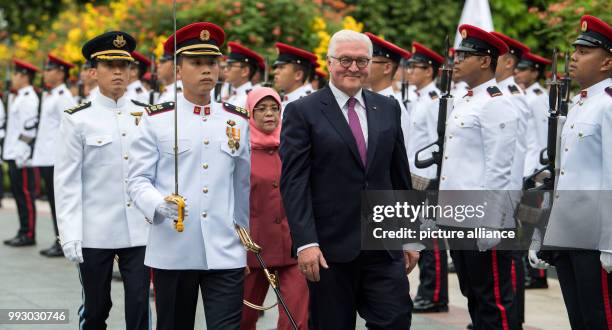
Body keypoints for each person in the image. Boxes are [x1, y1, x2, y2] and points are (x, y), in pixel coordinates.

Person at [280, 29, 419, 330]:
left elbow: (399, 176)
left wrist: (410, 235)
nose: (353, 68)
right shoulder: (303, 111)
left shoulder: (388, 108)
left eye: (361, 61)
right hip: (330, 249)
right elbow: (295, 183)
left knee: (395, 320)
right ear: (329, 63)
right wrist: (305, 243)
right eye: (345, 60)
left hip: (383, 244)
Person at [128, 22, 250, 330]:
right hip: (175, 246)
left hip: (225, 249)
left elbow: (243, 184)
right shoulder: (156, 120)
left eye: (212, 62)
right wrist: (159, 204)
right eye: (196, 63)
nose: (206, 69)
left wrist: (246, 237)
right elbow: (137, 180)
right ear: (179, 70)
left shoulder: (236, 120)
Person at [54, 31, 150, 329]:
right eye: (110, 66)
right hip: (95, 229)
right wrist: (69, 232)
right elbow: (67, 180)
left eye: (124, 65)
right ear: (94, 72)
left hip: (139, 228)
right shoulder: (77, 118)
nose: (119, 72)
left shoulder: (146, 113)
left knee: (139, 302)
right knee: (96, 308)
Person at [533, 15, 612, 329]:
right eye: (574, 50)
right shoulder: (580, 104)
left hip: (595, 238)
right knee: (579, 320)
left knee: (600, 320)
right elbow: (563, 176)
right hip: (569, 234)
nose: (574, 57)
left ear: (607, 62)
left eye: (583, 51)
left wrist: (609, 244)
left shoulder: (607, 106)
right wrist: (543, 231)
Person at [438, 24, 519, 329]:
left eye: (464, 55)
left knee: (493, 299)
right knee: (472, 293)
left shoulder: (496, 103)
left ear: (485, 61)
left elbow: (499, 169)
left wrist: (491, 221)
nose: (456, 60)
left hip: (481, 216)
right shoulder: (467, 99)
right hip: (458, 213)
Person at [240, 87, 309, 330]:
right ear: (249, 112)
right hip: (252, 251)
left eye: (275, 108)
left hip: (293, 249)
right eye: (261, 109)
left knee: (296, 321)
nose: (270, 114)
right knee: (243, 320)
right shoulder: (239, 150)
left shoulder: (293, 146)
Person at [404, 41, 449, 313]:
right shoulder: (421, 97)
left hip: (428, 177)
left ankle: (434, 294)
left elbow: (438, 143)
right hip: (416, 176)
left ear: (429, 70)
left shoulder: (434, 101)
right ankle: (428, 291)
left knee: (431, 239)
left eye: (415, 67)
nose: (409, 71)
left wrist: (434, 181)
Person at [35, 54, 77, 257]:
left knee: (58, 202)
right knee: (53, 202)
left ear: (61, 73)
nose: (45, 73)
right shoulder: (52, 95)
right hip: (46, 156)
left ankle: (63, 240)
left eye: (50, 69)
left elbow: (68, 129)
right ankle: (58, 238)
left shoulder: (64, 97)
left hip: (55, 158)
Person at [2, 59, 40, 247]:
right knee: (18, 196)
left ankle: (29, 233)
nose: (13, 78)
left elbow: (28, 132)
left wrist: (21, 154)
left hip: (22, 157)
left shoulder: (29, 98)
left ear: (24, 76)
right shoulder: (15, 96)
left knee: (26, 195)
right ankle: (22, 229)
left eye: (16, 74)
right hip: (11, 153)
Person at [364, 32, 412, 159]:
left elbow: (399, 156)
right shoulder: (363, 99)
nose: (363, 66)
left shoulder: (395, 108)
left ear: (387, 68)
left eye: (369, 61)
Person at [272, 42, 317, 108]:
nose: (275, 72)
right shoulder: (285, 100)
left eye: (281, 67)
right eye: (276, 67)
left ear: (298, 75)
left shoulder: (306, 105)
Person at [224, 42, 264, 108]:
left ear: (245, 71)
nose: (225, 70)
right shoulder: (233, 96)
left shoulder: (251, 99)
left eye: (230, 66)